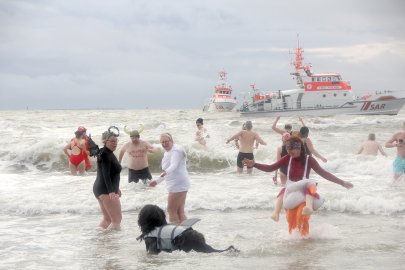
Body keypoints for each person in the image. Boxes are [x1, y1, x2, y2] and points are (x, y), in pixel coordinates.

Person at [243, 136, 353, 224]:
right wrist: (254, 164)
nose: (290, 154)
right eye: (288, 151)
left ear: (298, 148)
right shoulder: (287, 158)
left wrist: (342, 183)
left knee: (308, 192)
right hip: (290, 191)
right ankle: (276, 214)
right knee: (283, 195)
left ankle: (308, 210)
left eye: (292, 151)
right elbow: (271, 168)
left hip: (304, 192)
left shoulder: (309, 160)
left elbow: (323, 173)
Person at [149, 133, 190, 224]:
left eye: (166, 141)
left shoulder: (176, 150)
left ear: (171, 141)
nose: (164, 144)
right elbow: (167, 170)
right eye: (162, 142)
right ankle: (185, 232)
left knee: (171, 210)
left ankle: (175, 234)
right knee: (179, 211)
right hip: (177, 183)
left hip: (178, 183)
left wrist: (163, 174)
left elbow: (173, 166)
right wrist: (157, 181)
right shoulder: (168, 152)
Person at [93, 129, 122, 230]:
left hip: (99, 189)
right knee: (116, 220)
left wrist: (116, 189)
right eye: (112, 141)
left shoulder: (104, 152)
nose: (115, 143)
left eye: (116, 141)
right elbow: (105, 173)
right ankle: (113, 245)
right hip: (106, 190)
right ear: (105, 141)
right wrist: (111, 191)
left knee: (107, 219)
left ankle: (102, 239)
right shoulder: (106, 154)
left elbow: (111, 174)